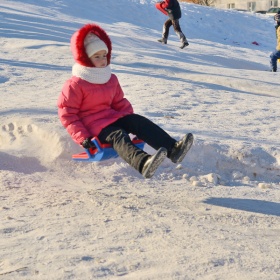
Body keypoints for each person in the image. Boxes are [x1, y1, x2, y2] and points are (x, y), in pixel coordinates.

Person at [57, 23, 193, 178]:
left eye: (104, 55)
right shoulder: (75, 84)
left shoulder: (110, 78)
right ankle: (143, 163)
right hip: (94, 127)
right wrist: (83, 138)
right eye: (96, 57)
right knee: (118, 135)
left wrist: (131, 122)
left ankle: (173, 149)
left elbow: (119, 103)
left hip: (111, 118)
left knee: (137, 121)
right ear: (85, 59)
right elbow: (68, 115)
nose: (102, 60)